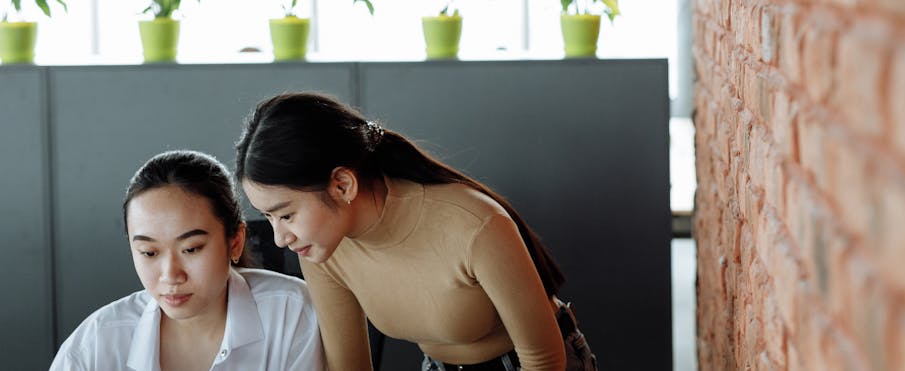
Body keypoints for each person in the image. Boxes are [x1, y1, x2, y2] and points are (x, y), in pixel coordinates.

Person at [234, 91, 598, 371]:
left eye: (286, 215)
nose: (280, 238)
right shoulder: (321, 249)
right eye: (268, 218)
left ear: (342, 185)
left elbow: (544, 359)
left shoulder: (474, 223)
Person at [51, 150, 325, 371]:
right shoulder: (97, 344)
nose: (170, 275)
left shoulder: (292, 313)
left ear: (236, 241)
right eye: (149, 253)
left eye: (191, 249)